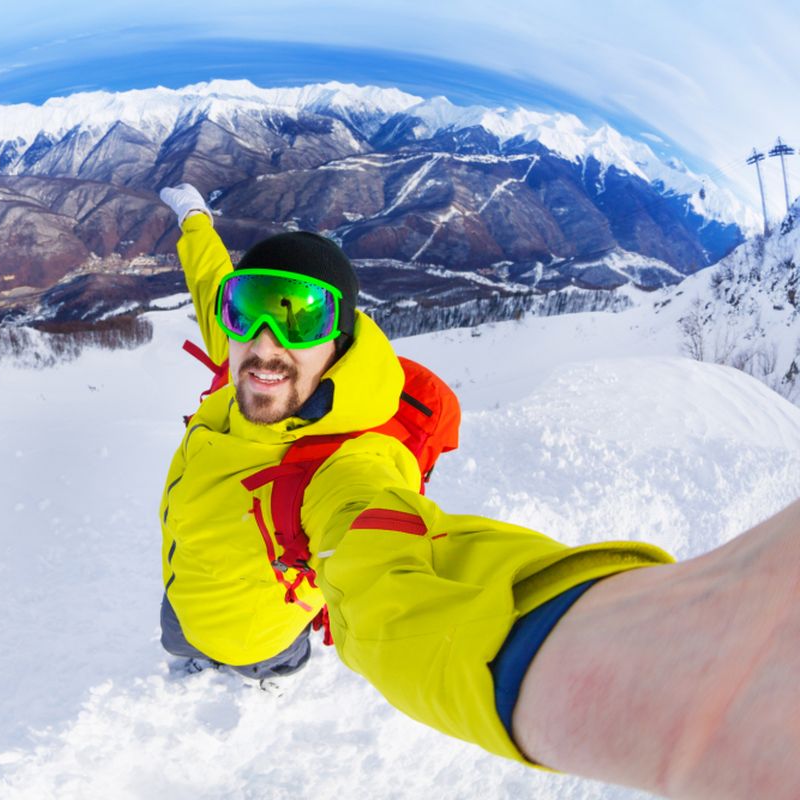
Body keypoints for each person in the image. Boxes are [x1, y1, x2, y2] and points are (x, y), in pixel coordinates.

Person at [155, 183, 800, 799]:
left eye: (301, 317)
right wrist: (194, 220)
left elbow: (404, 573)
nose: (267, 343)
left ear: (340, 341)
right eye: (251, 309)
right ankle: (218, 649)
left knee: (260, 656)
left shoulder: (343, 469)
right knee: (178, 633)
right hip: (184, 594)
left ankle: (273, 669)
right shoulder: (243, 363)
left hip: (253, 632)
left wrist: (590, 649)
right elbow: (214, 280)